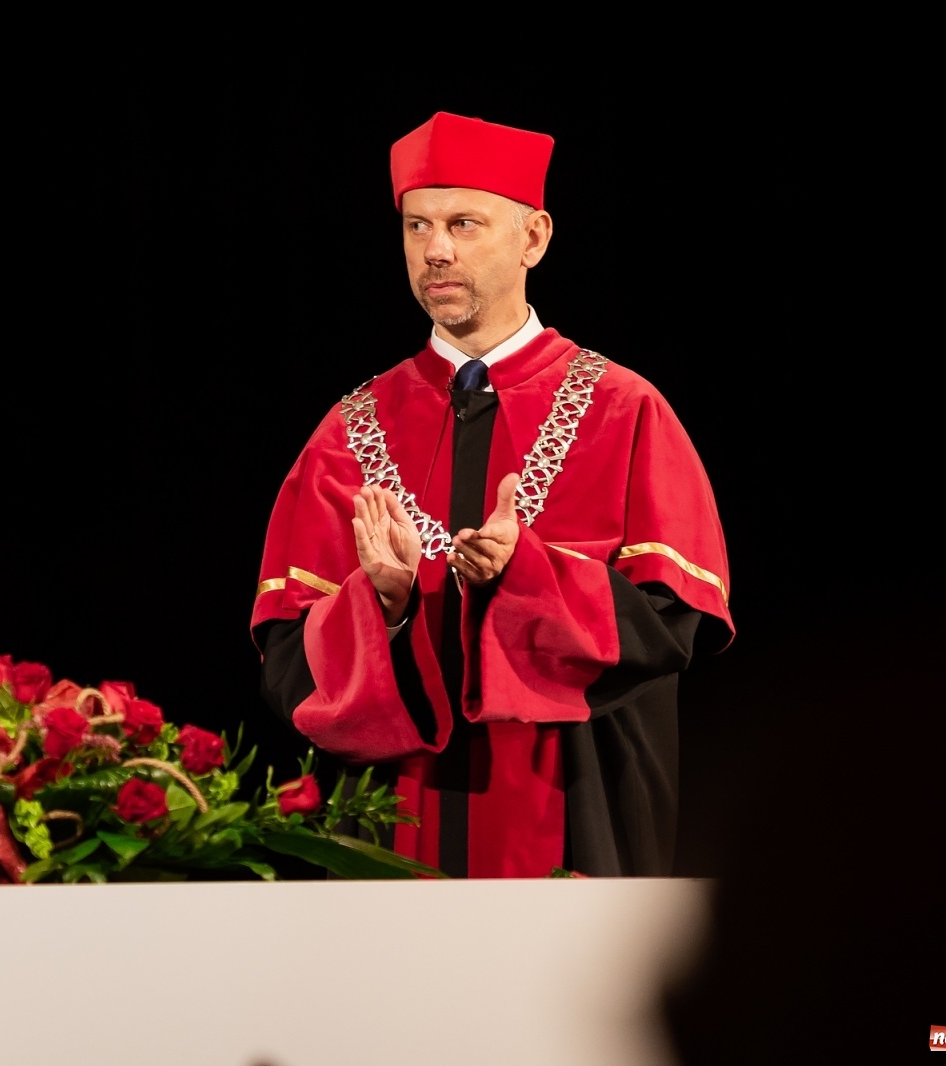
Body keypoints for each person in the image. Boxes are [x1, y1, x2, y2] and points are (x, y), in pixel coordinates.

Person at [251, 112, 735, 878]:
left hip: (579, 811)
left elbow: (670, 627)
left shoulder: (624, 408)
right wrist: (382, 604)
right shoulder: (347, 432)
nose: (436, 250)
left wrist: (527, 579)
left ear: (534, 238)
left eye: (464, 223)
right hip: (394, 830)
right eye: (417, 227)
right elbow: (289, 665)